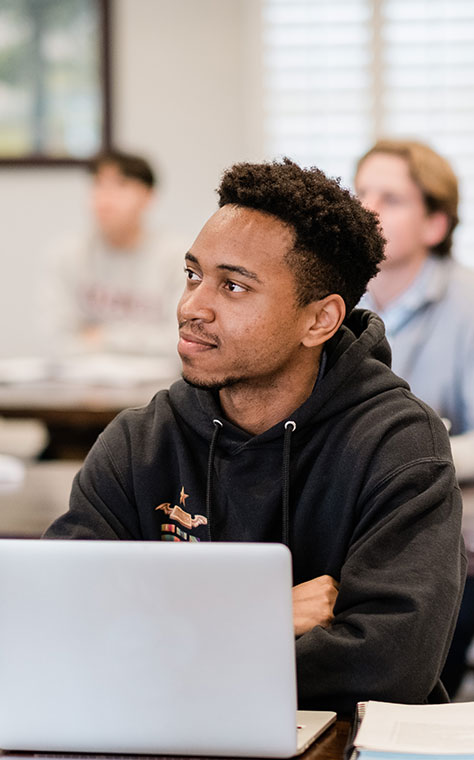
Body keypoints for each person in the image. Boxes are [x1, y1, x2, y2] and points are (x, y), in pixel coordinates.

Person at [43, 158, 466, 716]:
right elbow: (56, 628)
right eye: (193, 275)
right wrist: (261, 616)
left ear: (319, 321)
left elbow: (389, 667)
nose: (192, 306)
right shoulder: (139, 442)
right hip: (162, 757)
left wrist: (163, 641)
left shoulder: (400, 448)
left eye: (234, 286)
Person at [355, 139, 474, 698]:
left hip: (447, 516)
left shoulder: (467, 306)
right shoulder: (333, 303)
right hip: (355, 510)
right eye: (361, 192)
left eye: (391, 198)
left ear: (434, 224)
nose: (367, 208)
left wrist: (406, 454)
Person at [39, 149, 184, 361]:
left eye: (121, 185)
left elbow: (181, 342)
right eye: (98, 184)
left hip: (157, 386)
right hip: (81, 384)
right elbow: (56, 340)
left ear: (148, 197)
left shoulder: (177, 258)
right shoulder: (66, 255)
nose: (105, 198)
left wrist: (104, 338)